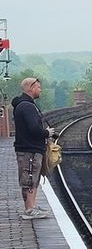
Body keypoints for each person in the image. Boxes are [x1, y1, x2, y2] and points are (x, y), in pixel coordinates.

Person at [12, 77, 54, 220]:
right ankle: (30, 209)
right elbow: (34, 129)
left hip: (29, 148)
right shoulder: (27, 107)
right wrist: (47, 133)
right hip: (29, 149)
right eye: (38, 87)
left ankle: (32, 206)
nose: (40, 89)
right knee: (29, 178)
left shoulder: (24, 105)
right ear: (31, 87)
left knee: (32, 178)